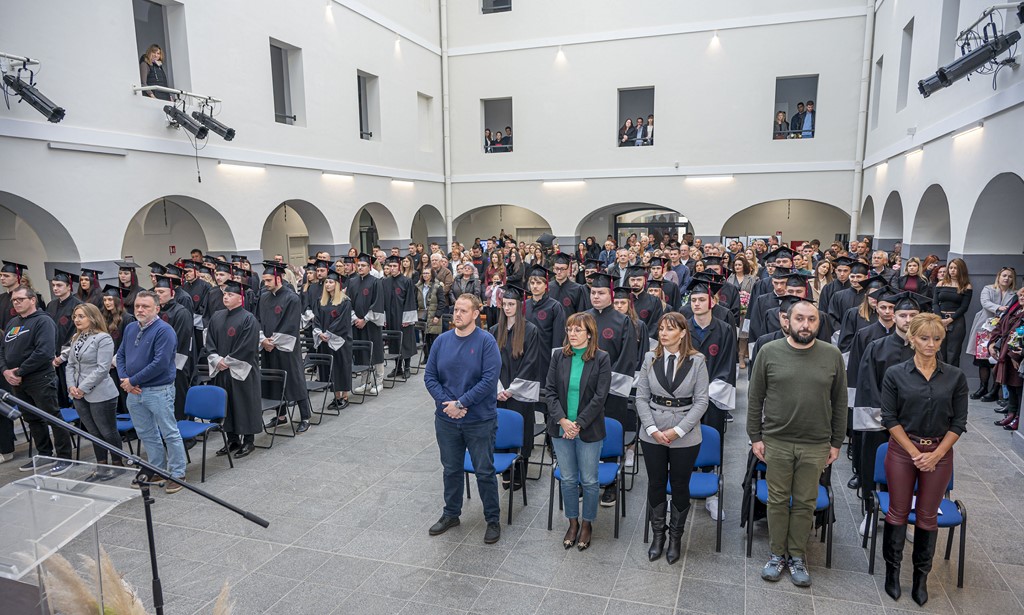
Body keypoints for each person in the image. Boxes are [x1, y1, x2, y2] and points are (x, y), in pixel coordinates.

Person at [748, 299, 847, 588]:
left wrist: (836, 441)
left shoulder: (832, 355)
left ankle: (797, 556)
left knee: (805, 502)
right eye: (800, 318)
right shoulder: (769, 352)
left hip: (816, 443)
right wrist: (755, 437)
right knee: (777, 501)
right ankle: (777, 554)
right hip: (776, 440)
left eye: (812, 319)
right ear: (786, 321)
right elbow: (755, 399)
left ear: (819, 323)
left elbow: (840, 402)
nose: (805, 325)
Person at [880, 313, 968, 605]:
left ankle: (921, 579)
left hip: (940, 454)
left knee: (928, 517)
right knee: (898, 512)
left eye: (937, 339)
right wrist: (916, 453)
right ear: (912, 338)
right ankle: (892, 574)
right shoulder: (895, 373)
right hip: (903, 451)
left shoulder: (955, 376)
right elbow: (890, 419)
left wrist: (936, 454)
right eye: (925, 338)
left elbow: (959, 423)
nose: (931, 344)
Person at [424, 294, 503, 544]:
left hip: (479, 420)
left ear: (476, 314)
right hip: (447, 420)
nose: (457, 314)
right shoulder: (441, 341)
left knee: (484, 471)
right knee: (451, 469)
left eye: (463, 310)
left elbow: (489, 381)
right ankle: (451, 514)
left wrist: (461, 403)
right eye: (456, 310)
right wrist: (448, 404)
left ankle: (492, 519)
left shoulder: (486, 342)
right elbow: (430, 377)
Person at [636, 312, 709, 564]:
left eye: (669, 329)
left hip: (685, 433)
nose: (663, 334)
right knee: (656, 483)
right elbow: (641, 397)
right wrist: (652, 429)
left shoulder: (697, 361)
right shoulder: (649, 357)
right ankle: (659, 535)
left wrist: (678, 430)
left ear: (682, 333)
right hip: (652, 431)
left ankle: (675, 537)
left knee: (679, 484)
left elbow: (701, 401)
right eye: (661, 329)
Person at [851, 291, 923, 536]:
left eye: (913, 315)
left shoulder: (927, 350)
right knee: (874, 467)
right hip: (880, 423)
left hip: (915, 426)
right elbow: (868, 385)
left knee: (911, 471)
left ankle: (907, 516)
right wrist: (889, 420)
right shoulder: (877, 347)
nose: (907, 319)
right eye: (902, 314)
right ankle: (871, 512)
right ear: (894, 315)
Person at [544, 311, 611, 551]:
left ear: (590, 333)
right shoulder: (558, 356)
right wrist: (562, 420)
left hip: (588, 429)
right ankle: (572, 522)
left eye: (578, 330)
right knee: (569, 479)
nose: (572, 334)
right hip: (560, 428)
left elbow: (600, 397)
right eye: (569, 329)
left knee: (590, 481)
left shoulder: (601, 358)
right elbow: (549, 392)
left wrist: (578, 424)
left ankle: (587, 524)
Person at [116, 290, 187, 493]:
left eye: (145, 306)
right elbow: (120, 355)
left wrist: (132, 381)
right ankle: (157, 468)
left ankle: (177, 473)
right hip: (133, 391)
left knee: (169, 432)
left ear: (157, 308)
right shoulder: (130, 328)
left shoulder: (164, 331)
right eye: (137, 305)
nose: (140, 309)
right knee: (146, 433)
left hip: (158, 390)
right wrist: (125, 380)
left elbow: (161, 363)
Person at [0, 285, 74, 474]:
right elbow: (2, 350)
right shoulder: (12, 323)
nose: (16, 303)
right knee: (31, 418)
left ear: (32, 300)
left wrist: (19, 371)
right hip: (17, 381)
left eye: (20, 299)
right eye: (14, 300)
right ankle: (44, 454)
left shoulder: (43, 321)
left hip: (40, 378)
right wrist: (5, 371)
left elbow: (44, 352)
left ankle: (65, 457)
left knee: (52, 417)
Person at [685, 274, 737, 518]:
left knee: (711, 440)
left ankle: (711, 494)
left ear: (712, 301)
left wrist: (706, 394)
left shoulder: (725, 329)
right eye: (693, 299)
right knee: (683, 441)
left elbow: (727, 365)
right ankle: (683, 484)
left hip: (713, 398)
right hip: (684, 398)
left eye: (701, 299)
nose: (696, 304)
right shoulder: (682, 328)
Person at [585, 272, 636, 508]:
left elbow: (627, 358)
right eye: (593, 292)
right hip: (585, 392)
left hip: (612, 393)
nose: (596, 296)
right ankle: (586, 481)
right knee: (586, 435)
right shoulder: (583, 319)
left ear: (611, 294)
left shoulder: (623, 321)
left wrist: (602, 385)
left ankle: (610, 485)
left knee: (610, 434)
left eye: (601, 292)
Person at [493, 284, 545, 489]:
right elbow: (490, 363)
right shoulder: (494, 330)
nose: (507, 308)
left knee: (521, 430)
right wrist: (498, 388)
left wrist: (512, 389)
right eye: (504, 304)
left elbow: (531, 362)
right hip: (499, 391)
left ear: (519, 305)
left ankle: (520, 470)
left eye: (511, 304)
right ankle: (506, 468)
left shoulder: (531, 330)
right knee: (502, 429)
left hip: (519, 392)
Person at [65, 303, 122, 477]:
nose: (76, 320)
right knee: (93, 432)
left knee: (107, 431)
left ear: (93, 317)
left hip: (100, 392)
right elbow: (70, 365)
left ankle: (118, 464)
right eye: (75, 317)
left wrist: (82, 388)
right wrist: (71, 387)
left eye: (81, 316)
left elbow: (102, 368)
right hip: (78, 393)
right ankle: (102, 465)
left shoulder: (103, 338)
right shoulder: (76, 337)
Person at [258, 261, 313, 433]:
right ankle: (280, 416)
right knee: (273, 380)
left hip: (286, 348)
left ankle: (305, 416)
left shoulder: (291, 298)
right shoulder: (264, 297)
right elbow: (258, 320)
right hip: (268, 346)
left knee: (294, 380)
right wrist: (262, 340)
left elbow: (290, 324)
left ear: (279, 278)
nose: (265, 284)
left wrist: (272, 341)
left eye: (268, 280)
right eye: (264, 280)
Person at [967, 267, 1016, 400]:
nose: (1006, 278)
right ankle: (982, 387)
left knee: (997, 360)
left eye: (1010, 276)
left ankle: (995, 390)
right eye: (1004, 275)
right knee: (982, 361)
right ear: (999, 277)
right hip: (985, 329)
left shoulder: (1014, 294)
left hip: (1001, 331)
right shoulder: (988, 289)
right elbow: (985, 303)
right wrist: (1000, 308)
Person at [47, 269, 83, 409]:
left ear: (69, 286)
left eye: (59, 285)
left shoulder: (77, 305)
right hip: (52, 355)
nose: (55, 288)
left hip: (69, 356)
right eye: (54, 285)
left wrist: (62, 356)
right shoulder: (51, 305)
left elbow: (77, 332)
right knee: (57, 392)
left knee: (72, 390)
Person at [989, 285, 1024, 430]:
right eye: (1021, 294)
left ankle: (1018, 418)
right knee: (1009, 384)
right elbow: (1000, 326)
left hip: (1016, 355)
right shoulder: (1015, 308)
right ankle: (1011, 413)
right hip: (1005, 352)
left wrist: (1016, 356)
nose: (1022, 297)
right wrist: (991, 344)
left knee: (1018, 387)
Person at [382, 256, 418, 379]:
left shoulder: (406, 281)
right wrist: (384, 319)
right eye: (390, 266)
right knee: (394, 343)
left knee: (405, 342)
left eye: (394, 266)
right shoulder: (385, 282)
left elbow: (410, 301)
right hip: (391, 318)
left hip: (403, 318)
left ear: (399, 267)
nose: (392, 269)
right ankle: (397, 368)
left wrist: (408, 319)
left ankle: (407, 367)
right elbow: (383, 302)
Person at [932, 258, 973, 366]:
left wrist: (949, 320)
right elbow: (935, 303)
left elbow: (964, 307)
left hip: (956, 321)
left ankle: (952, 378)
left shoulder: (966, 286)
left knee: (953, 352)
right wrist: (940, 319)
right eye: (950, 268)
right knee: (939, 350)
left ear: (961, 270)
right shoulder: (941, 284)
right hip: (939, 319)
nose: (952, 270)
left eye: (955, 268)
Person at [525, 264, 568, 355]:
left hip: (545, 354)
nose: (535, 286)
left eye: (539, 283)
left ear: (546, 285)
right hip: (526, 354)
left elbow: (558, 336)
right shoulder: (524, 305)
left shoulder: (554, 307)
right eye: (532, 283)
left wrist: (556, 358)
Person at [417, 267, 447, 361]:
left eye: (427, 273)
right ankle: (426, 357)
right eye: (424, 273)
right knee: (425, 337)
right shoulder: (419, 286)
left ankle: (434, 358)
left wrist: (437, 316)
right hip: (423, 315)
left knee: (434, 338)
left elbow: (442, 302)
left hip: (434, 315)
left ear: (432, 274)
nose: (425, 275)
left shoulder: (437, 286)